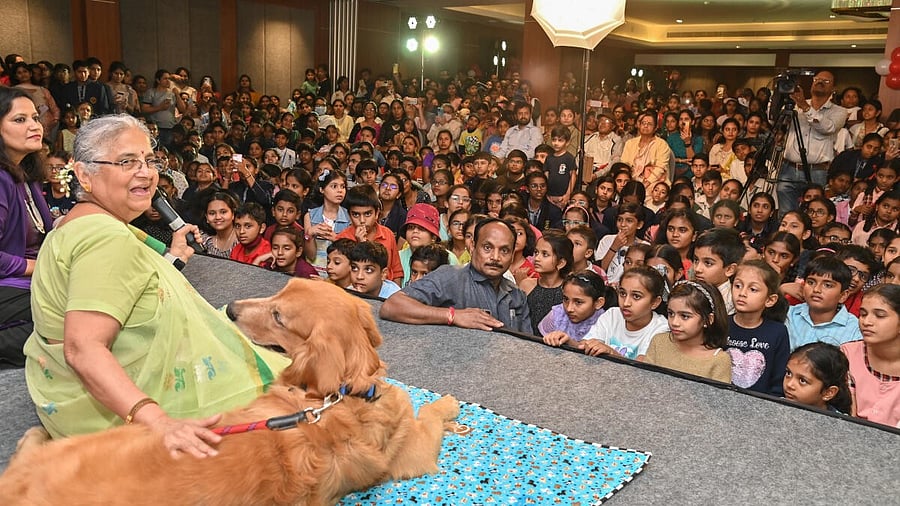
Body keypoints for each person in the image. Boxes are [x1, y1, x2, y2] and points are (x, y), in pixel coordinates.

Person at [23, 114, 288, 455]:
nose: (146, 172)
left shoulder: (78, 221)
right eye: (126, 161)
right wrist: (160, 423)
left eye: (150, 160)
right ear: (84, 175)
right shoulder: (105, 238)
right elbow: (83, 349)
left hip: (56, 390)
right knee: (292, 402)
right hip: (104, 416)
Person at [379, 218, 531, 333]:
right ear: (472, 247)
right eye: (487, 247)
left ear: (512, 255)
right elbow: (392, 306)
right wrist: (452, 315)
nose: (495, 257)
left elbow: (527, 347)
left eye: (504, 250)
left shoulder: (517, 296)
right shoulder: (451, 277)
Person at [0, 88, 54, 367]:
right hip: (10, 285)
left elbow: (46, 232)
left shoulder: (27, 175)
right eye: (20, 120)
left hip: (29, 281)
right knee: (70, 322)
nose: (35, 125)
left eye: (35, 117)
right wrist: (39, 266)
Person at [776, 70, 847, 215]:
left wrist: (805, 107)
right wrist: (779, 99)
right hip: (788, 168)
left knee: (812, 214)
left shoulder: (839, 111)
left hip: (816, 171)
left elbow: (828, 128)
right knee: (785, 213)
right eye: (817, 79)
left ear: (834, 89)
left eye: (826, 81)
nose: (820, 82)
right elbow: (775, 123)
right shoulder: (794, 105)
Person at [642, 280, 732, 383]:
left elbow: (719, 398)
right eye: (671, 313)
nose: (674, 322)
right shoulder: (659, 342)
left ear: (708, 320)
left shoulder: (718, 360)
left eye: (685, 316)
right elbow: (645, 383)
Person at [727, 260, 791, 395]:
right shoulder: (721, 324)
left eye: (753, 289)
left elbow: (778, 379)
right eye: (738, 285)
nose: (742, 293)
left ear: (770, 300)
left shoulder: (777, 332)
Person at [580, 266, 669, 360]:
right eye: (622, 293)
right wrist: (568, 341)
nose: (626, 303)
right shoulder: (612, 315)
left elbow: (643, 370)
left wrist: (611, 353)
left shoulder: (661, 329)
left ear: (655, 302)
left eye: (636, 296)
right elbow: (585, 346)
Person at [786, 256, 862, 350]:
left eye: (827, 285)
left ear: (843, 296)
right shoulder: (788, 315)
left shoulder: (854, 329)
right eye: (811, 282)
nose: (816, 289)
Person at [335, 185, 403, 284]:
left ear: (376, 213)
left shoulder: (387, 234)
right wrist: (361, 244)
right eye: (356, 214)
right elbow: (342, 277)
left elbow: (396, 271)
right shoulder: (342, 239)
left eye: (367, 214)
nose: (362, 220)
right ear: (349, 215)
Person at [518, 230, 574, 334]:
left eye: (545, 254)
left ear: (561, 263)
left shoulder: (568, 291)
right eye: (536, 252)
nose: (537, 258)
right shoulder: (526, 285)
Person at [540, 270, 607, 345]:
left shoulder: (605, 324)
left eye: (578, 302)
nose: (569, 309)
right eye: (566, 299)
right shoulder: (556, 315)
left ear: (598, 303)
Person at [784, 342, 852, 414]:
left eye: (802, 381)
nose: (789, 384)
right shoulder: (774, 406)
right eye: (788, 373)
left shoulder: (840, 423)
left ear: (828, 393)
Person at [692, 227, 744, 315]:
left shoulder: (735, 302)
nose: (697, 269)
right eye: (696, 260)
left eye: (708, 263)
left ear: (729, 269)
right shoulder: (690, 292)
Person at [620, 111, 674, 188]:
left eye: (649, 124)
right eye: (643, 123)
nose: (645, 126)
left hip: (655, 181)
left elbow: (660, 168)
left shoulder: (662, 144)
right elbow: (624, 164)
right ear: (639, 125)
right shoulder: (630, 143)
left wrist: (647, 182)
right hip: (631, 180)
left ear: (655, 128)